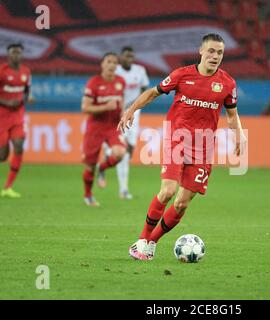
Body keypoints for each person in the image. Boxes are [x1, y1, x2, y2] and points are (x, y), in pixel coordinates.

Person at [118, 33, 247, 261]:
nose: (215, 56)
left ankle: (152, 244)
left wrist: (239, 135)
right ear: (201, 51)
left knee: (181, 203)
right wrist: (131, 109)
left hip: (204, 148)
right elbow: (153, 93)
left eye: (219, 53)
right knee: (167, 191)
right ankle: (141, 239)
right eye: (211, 51)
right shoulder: (182, 75)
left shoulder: (227, 83)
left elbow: (232, 114)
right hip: (177, 140)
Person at [100, 46, 150, 200]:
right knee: (123, 150)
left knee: (130, 150)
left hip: (134, 112)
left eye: (131, 56)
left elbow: (144, 87)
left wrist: (135, 104)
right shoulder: (116, 71)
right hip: (119, 113)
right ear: (121, 57)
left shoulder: (140, 71)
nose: (129, 59)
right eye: (127, 56)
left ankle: (106, 157)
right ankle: (123, 190)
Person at [81, 52, 127, 206]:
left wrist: (123, 114)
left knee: (120, 153)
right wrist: (106, 106)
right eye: (109, 62)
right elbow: (85, 107)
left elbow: (122, 101)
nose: (112, 65)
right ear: (102, 64)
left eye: (115, 62)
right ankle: (88, 195)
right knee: (89, 165)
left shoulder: (120, 81)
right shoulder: (94, 82)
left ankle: (103, 167)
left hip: (113, 126)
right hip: (95, 127)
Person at [0, 43, 32, 198]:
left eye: (18, 53)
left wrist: (28, 97)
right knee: (3, 156)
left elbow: (26, 90)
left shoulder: (26, 71)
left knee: (19, 146)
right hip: (1, 116)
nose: (16, 55)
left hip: (18, 116)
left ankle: (8, 187)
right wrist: (6, 102)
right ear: (8, 55)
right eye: (13, 52)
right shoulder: (2, 71)